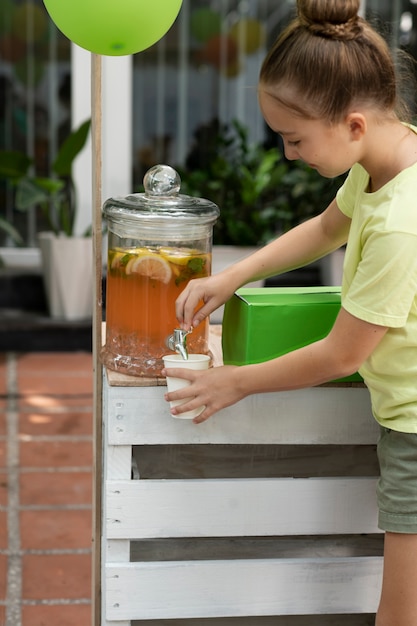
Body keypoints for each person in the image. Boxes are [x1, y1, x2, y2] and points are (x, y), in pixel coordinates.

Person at [162, 1, 417, 624]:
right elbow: (327, 227)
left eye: (295, 139)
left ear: (354, 124)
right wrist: (234, 274)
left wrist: (234, 382)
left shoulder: (401, 222)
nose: (286, 153)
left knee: (401, 608)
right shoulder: (387, 160)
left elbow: (342, 353)